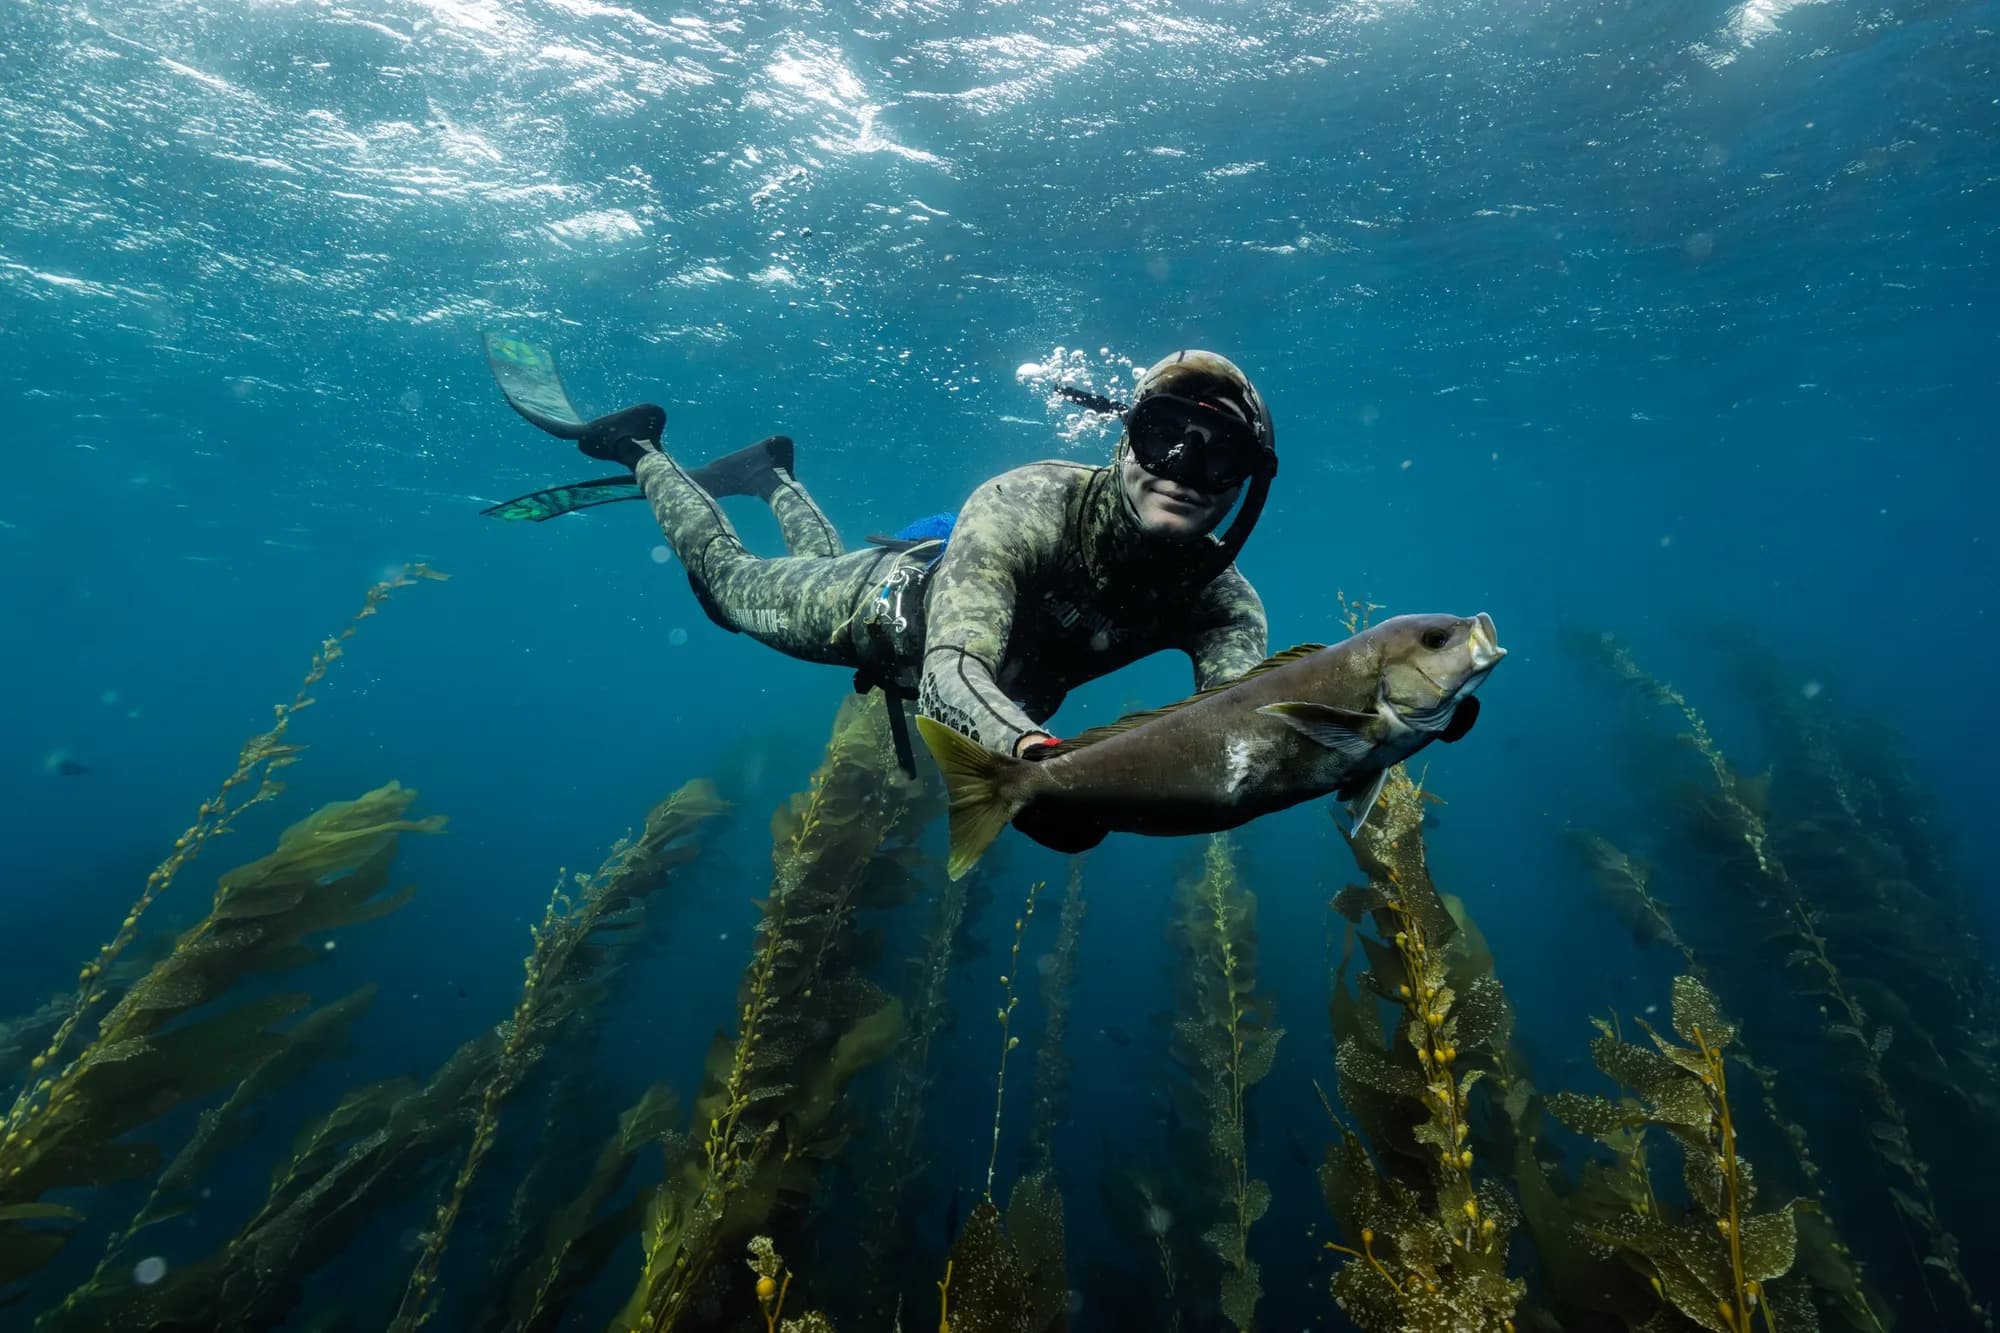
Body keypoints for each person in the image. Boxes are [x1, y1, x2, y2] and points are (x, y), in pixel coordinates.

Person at [481, 336, 1279, 770]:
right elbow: (951, 673)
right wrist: (1038, 762)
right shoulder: (1028, 502)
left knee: (809, 565)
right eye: (1162, 436)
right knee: (730, 585)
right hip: (876, 609)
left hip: (909, 603)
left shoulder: (1223, 602)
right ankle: (636, 446)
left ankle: (769, 477)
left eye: (1220, 453)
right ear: (1123, 441)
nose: (1183, 469)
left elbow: (1236, 735)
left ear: (1251, 477)